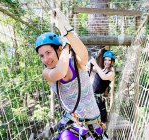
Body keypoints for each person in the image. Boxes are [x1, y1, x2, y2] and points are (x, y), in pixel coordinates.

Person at [35, 9, 104, 139]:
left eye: (48, 53)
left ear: (58, 50)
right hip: (74, 125)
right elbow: (60, 72)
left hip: (94, 124)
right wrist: (67, 45)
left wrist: (66, 31)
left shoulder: (76, 64)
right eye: (41, 56)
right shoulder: (47, 72)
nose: (45, 59)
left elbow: (84, 56)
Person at [87, 50, 116, 124]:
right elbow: (91, 69)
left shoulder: (111, 73)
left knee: (100, 122)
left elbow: (103, 77)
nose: (107, 62)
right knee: (90, 120)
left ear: (112, 61)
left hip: (99, 100)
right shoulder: (103, 69)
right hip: (92, 98)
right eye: (105, 59)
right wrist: (90, 63)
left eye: (109, 60)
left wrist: (95, 64)